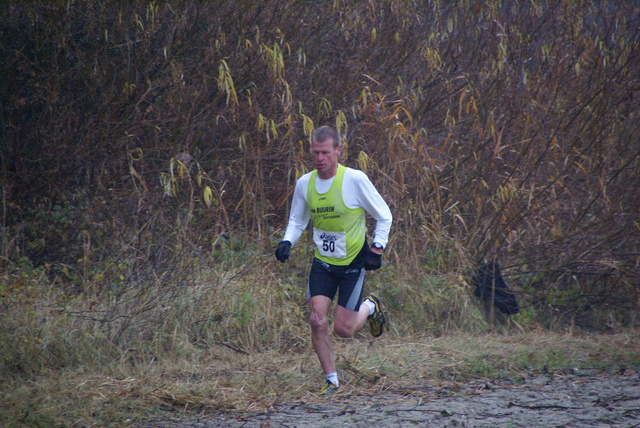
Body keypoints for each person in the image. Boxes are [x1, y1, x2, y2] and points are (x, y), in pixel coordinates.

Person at [274, 125, 393, 395]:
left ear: (338, 151)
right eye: (315, 152)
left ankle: (370, 307)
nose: (319, 158)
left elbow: (384, 215)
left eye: (325, 152)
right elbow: (297, 219)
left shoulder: (355, 180)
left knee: (344, 330)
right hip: (323, 264)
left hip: (352, 264)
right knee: (317, 320)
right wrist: (286, 241)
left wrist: (377, 248)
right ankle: (332, 381)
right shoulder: (305, 183)